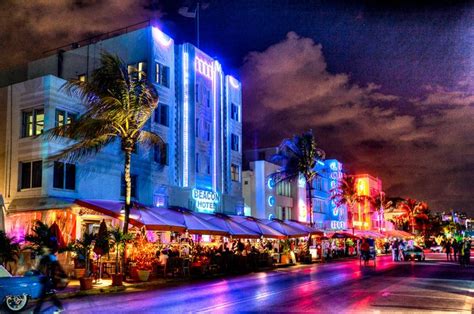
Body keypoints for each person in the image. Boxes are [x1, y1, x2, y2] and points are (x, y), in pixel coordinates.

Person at [34, 240, 67, 313]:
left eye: (45, 248)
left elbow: (58, 268)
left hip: (48, 280)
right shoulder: (43, 257)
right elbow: (39, 268)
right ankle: (60, 307)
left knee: (43, 296)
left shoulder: (51, 257)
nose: (43, 249)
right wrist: (36, 272)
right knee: (49, 295)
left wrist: (63, 276)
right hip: (45, 279)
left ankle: (36, 312)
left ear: (48, 249)